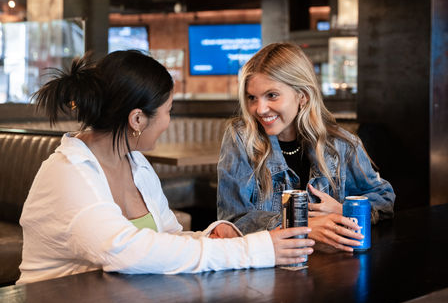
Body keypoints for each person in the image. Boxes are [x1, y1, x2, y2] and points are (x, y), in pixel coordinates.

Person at [18, 50, 314, 285]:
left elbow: (164, 240)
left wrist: (210, 234)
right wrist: (256, 250)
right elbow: (127, 252)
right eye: (167, 111)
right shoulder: (68, 174)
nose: (168, 122)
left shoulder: (136, 164)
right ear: (137, 120)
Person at [217, 43, 395, 252]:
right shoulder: (241, 137)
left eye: (272, 95)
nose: (260, 109)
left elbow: (384, 200)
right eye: (252, 98)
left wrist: (344, 210)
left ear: (302, 96)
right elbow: (233, 220)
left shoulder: (342, 144)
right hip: (269, 272)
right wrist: (302, 224)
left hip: (332, 270)